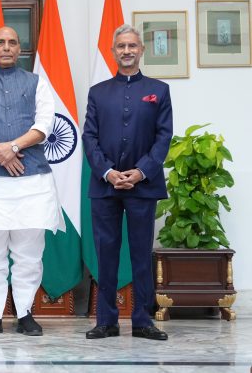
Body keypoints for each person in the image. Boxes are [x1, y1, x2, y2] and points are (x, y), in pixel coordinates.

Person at [0, 26, 63, 337]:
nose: (6, 47)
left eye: (12, 42)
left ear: (20, 50)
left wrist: (13, 147)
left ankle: (24, 312)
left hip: (32, 180)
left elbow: (45, 124)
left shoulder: (37, 83)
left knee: (28, 252)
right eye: (0, 42)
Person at [82, 24, 173, 341]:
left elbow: (164, 137)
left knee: (140, 254)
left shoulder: (158, 90)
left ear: (141, 50)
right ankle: (106, 320)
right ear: (113, 51)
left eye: (132, 46)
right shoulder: (98, 92)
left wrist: (141, 171)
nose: (126, 51)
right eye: (121, 46)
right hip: (105, 185)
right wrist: (108, 172)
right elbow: (89, 138)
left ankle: (143, 320)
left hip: (143, 186)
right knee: (105, 255)